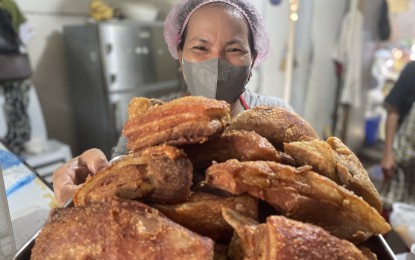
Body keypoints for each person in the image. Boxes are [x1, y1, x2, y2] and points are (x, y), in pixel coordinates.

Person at [52, 0, 292, 206]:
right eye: (200, 47)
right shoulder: (150, 121)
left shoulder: (279, 116)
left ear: (253, 60)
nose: (216, 61)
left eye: (234, 49)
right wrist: (93, 181)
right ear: (180, 58)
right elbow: (122, 171)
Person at [380, 60, 415, 210]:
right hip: (401, 160)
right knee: (386, 209)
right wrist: (388, 154)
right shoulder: (412, 70)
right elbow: (393, 111)